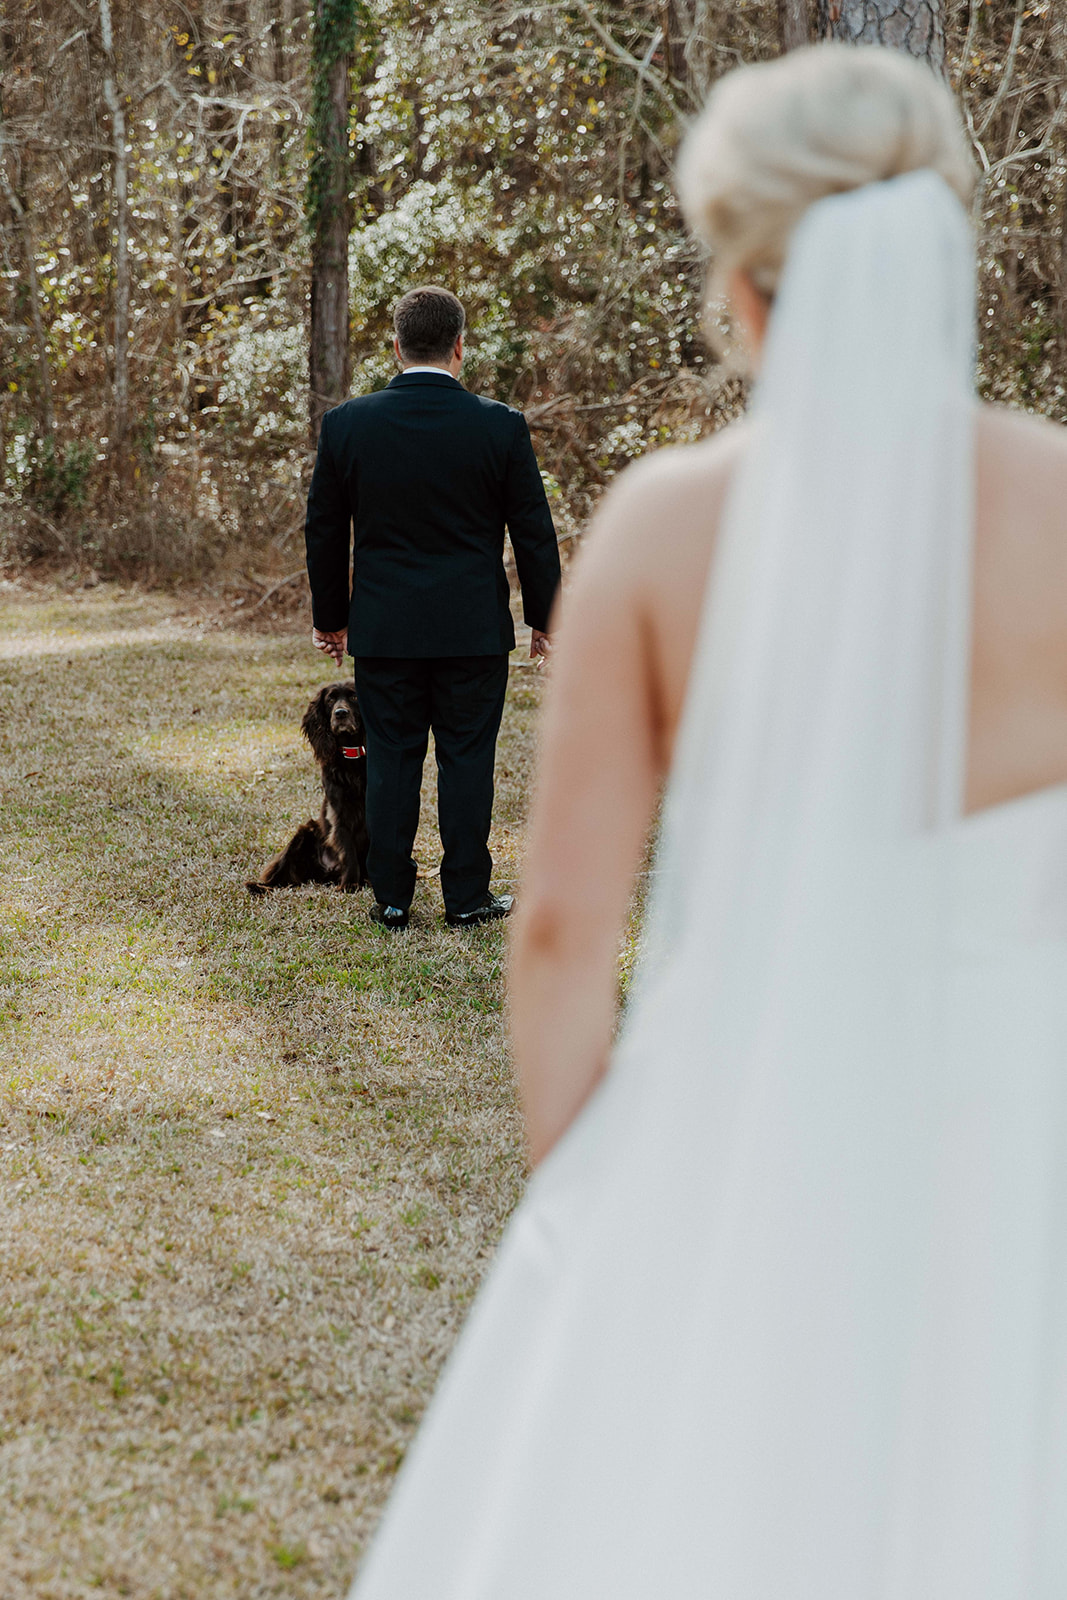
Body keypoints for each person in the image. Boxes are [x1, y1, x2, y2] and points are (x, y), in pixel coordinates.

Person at [349, 46, 1067, 1598]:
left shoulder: (671, 527)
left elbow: (559, 928)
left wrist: (598, 1204)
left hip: (745, 1125)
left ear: (736, 289)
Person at [304, 285, 561, 931]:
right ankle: (467, 897)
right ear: (459, 348)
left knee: (391, 759)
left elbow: (325, 529)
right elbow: (533, 528)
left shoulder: (348, 424)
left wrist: (331, 617)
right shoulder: (499, 424)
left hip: (385, 629)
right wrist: (544, 619)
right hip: (472, 630)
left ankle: (391, 897)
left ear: (395, 347)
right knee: (466, 761)